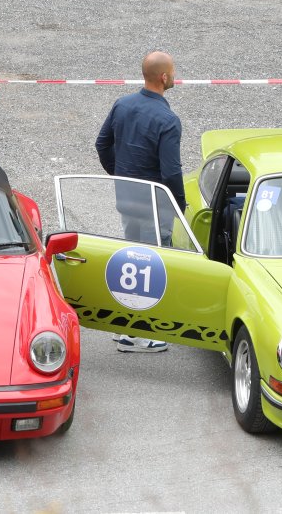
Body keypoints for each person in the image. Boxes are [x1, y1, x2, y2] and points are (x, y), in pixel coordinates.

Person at [94, 51, 184, 353]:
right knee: (152, 267)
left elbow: (102, 144)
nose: (174, 75)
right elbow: (171, 172)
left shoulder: (122, 104)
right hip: (154, 207)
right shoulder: (168, 120)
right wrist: (178, 204)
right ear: (164, 77)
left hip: (127, 199)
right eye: (173, 71)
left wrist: (120, 176)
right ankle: (144, 333)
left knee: (131, 262)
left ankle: (127, 327)